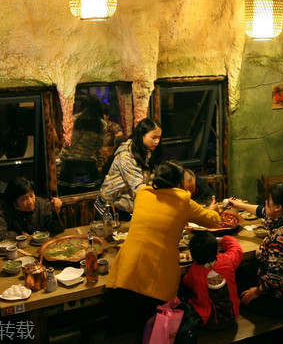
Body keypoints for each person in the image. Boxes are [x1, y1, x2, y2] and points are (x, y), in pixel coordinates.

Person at [106, 161, 220, 336]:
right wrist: (213, 209)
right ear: (179, 183)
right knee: (154, 333)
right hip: (155, 279)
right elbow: (213, 220)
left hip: (126, 271)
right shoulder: (182, 201)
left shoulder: (142, 194)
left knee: (127, 330)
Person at [240, 182, 283, 317]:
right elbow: (262, 211)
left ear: (278, 207)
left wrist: (256, 292)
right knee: (244, 274)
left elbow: (273, 281)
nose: (265, 204)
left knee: (236, 288)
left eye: (267, 202)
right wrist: (238, 204)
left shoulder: (280, 238)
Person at [99, 118, 163, 219]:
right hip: (112, 208)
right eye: (154, 137)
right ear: (142, 135)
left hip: (129, 206)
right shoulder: (126, 156)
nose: (157, 141)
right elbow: (138, 187)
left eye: (159, 138)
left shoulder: (147, 151)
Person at [182, 231, 243, 330]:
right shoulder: (227, 261)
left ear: (192, 256)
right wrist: (224, 239)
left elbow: (186, 282)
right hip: (232, 317)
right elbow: (237, 249)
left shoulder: (194, 272)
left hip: (207, 323)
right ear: (217, 252)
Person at [0, 177, 64, 242]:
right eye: (24, 199)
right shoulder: (4, 211)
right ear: (14, 201)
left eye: (32, 195)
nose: (30, 202)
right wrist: (19, 234)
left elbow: (57, 229)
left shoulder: (41, 204)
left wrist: (56, 212)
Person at [58, 95, 107, 180]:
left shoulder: (72, 119)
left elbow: (67, 142)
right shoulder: (102, 124)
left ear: (82, 105)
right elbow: (98, 147)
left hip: (69, 162)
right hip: (89, 164)